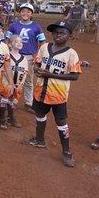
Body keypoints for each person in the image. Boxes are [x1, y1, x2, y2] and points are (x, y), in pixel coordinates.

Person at [29, 21, 82, 167]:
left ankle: (66, 151)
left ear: (69, 36)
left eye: (62, 33)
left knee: (61, 122)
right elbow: (37, 63)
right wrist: (36, 69)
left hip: (58, 95)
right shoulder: (45, 47)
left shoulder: (71, 54)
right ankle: (39, 140)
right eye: (56, 32)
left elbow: (75, 76)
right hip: (40, 91)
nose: (58, 35)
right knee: (40, 116)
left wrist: (50, 74)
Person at [5, 3, 46, 112]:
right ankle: (5, 99)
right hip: (14, 56)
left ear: (31, 13)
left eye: (28, 11)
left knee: (28, 80)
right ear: (20, 12)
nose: (25, 13)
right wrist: (7, 51)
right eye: (23, 11)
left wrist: (38, 54)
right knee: (9, 77)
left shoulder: (36, 26)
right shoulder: (14, 25)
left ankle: (29, 102)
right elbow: (7, 39)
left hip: (28, 57)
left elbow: (42, 41)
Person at [0, 35, 28, 129]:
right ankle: (2, 120)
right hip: (6, 83)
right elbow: (3, 71)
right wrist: (10, 83)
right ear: (10, 44)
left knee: (12, 102)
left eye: (21, 42)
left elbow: (25, 73)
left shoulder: (24, 59)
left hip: (17, 85)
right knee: (4, 100)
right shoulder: (7, 56)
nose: (20, 43)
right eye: (16, 41)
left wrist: (21, 84)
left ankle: (11, 118)